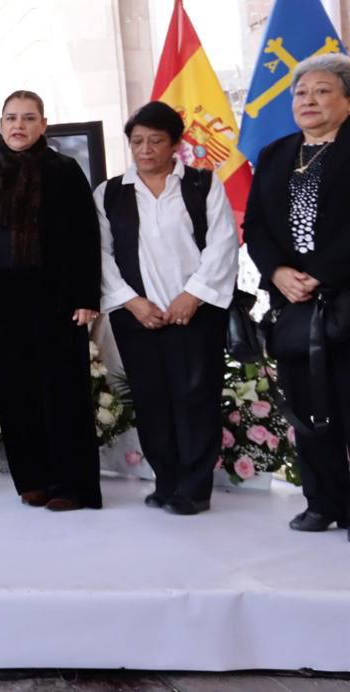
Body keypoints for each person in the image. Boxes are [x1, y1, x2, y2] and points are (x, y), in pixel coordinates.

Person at [96, 101, 238, 515]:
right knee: (151, 398)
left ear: (175, 144)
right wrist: (131, 301)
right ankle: (166, 481)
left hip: (194, 313)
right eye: (137, 141)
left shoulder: (202, 185)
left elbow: (223, 244)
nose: (145, 149)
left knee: (195, 397)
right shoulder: (108, 193)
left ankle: (194, 489)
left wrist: (193, 295)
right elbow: (101, 255)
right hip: (138, 315)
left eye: (156, 140)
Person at [0, 89, 103, 511]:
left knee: (63, 393)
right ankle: (34, 479)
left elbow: (86, 238)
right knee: (16, 394)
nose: (18, 126)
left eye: (28, 118)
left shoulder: (65, 171)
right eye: (11, 118)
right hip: (5, 305)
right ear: (0, 124)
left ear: (43, 124)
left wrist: (85, 296)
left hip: (59, 301)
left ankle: (71, 486)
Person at [244, 52, 350, 536]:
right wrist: (279, 271)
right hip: (292, 305)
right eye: (301, 93)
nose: (308, 100)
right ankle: (322, 501)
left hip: (344, 296)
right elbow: (257, 226)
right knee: (308, 408)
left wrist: (321, 273)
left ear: (346, 99)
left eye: (322, 90)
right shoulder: (276, 154)